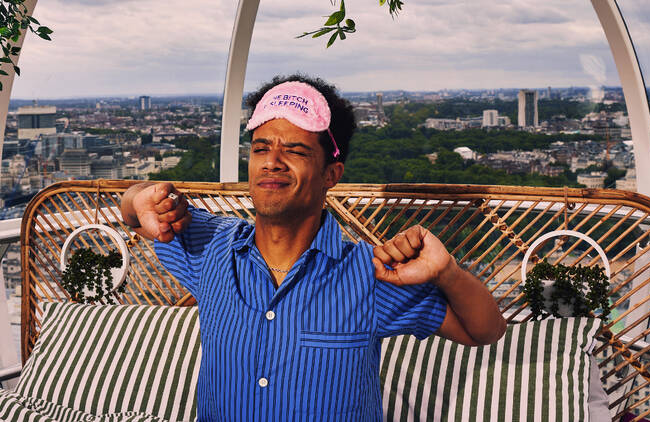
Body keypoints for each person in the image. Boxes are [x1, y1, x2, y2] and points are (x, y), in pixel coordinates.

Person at [120, 74, 506, 421]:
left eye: (296, 151)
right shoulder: (212, 247)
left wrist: (448, 272)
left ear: (330, 174)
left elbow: (484, 331)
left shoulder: (369, 274)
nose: (272, 162)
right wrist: (141, 198)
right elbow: (133, 215)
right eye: (260, 148)